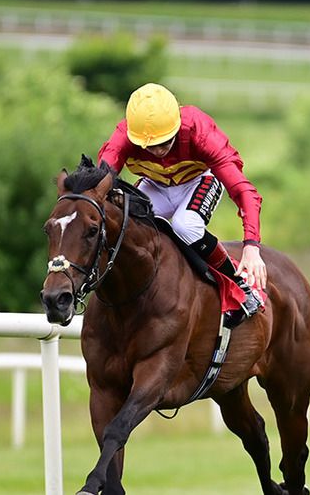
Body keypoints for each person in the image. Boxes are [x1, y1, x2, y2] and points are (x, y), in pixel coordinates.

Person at [98, 82, 265, 326]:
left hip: (199, 181)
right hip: (154, 185)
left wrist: (252, 246)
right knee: (127, 224)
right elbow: (100, 183)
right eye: (150, 145)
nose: (158, 151)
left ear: (177, 127)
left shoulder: (199, 130)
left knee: (185, 225)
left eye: (165, 142)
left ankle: (238, 286)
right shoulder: (123, 136)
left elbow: (243, 190)